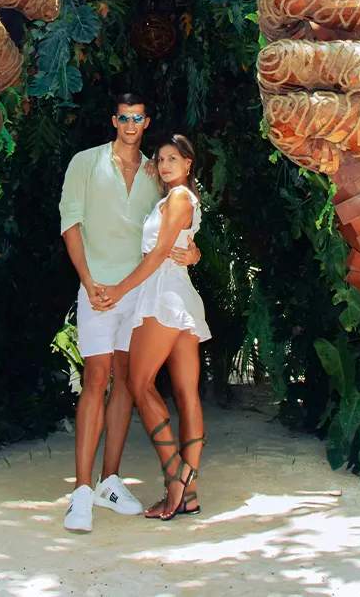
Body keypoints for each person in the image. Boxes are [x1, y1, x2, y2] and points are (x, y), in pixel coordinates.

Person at [58, 93, 199, 532]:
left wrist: (192, 254)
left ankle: (110, 480)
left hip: (140, 293)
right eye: (124, 117)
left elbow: (171, 233)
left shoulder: (156, 174)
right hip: (98, 286)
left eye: (138, 118)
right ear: (114, 120)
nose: (130, 124)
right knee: (96, 378)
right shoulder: (85, 162)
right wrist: (87, 282)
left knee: (127, 383)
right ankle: (81, 492)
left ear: (146, 120)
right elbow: (70, 222)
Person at [95, 135, 209, 522]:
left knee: (139, 384)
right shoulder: (178, 198)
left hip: (163, 296)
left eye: (173, 159)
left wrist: (118, 290)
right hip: (179, 293)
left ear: (189, 163)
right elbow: (177, 246)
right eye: (160, 159)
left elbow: (159, 253)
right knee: (185, 392)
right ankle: (188, 493)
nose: (164, 165)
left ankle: (176, 476)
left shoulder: (178, 199)